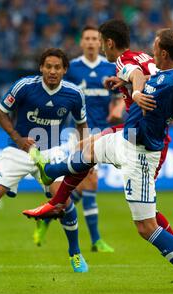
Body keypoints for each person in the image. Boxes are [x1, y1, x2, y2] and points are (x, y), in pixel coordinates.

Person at [24, 20, 173, 289]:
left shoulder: (129, 60)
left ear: (108, 43)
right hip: (128, 135)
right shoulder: (153, 63)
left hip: (142, 149)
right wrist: (125, 84)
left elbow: (151, 78)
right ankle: (55, 192)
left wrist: (133, 89)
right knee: (87, 150)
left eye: (100, 42)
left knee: (146, 225)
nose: (151, 48)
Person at [0, 48, 89, 273]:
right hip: (18, 150)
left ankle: (75, 254)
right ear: (41, 68)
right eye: (48, 66)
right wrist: (18, 138)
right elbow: (0, 113)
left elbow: (82, 125)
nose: (52, 71)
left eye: (57, 67)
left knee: (63, 200)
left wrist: (85, 156)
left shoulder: (74, 94)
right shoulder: (25, 86)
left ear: (64, 70)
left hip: (52, 151)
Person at [32, 25, 123, 252]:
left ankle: (48, 217)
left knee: (81, 189)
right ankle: (96, 241)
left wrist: (118, 108)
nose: (91, 42)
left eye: (95, 39)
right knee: (91, 183)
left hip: (103, 133)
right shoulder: (72, 69)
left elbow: (123, 94)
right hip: (78, 135)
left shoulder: (109, 67)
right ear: (81, 43)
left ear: (100, 42)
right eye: (87, 39)